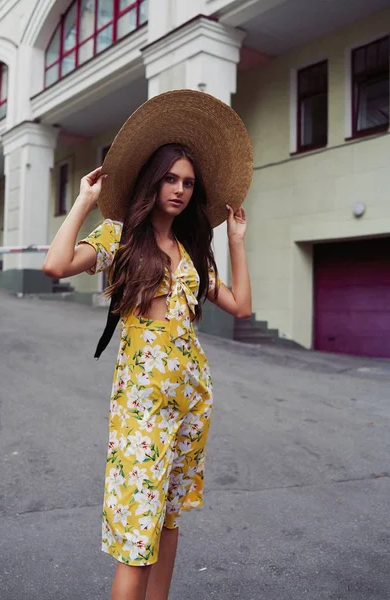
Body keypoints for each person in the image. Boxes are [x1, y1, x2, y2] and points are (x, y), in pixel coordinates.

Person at [42, 90, 253, 600]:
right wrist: (84, 202)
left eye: (188, 183)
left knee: (170, 520)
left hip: (191, 398)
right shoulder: (118, 236)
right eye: (171, 178)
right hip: (142, 403)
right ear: (153, 181)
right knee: (138, 531)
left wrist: (237, 241)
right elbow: (54, 265)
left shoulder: (192, 251)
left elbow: (241, 306)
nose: (179, 190)